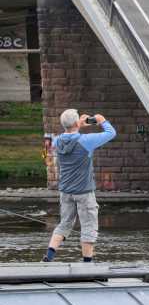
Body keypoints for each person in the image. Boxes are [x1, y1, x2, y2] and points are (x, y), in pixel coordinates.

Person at [42, 109, 116, 263]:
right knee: (88, 226)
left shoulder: (57, 141)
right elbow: (111, 133)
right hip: (84, 191)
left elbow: (70, 136)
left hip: (65, 191)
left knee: (65, 223)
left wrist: (77, 127)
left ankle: (48, 258)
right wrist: (102, 120)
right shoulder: (86, 141)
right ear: (76, 123)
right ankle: (87, 265)